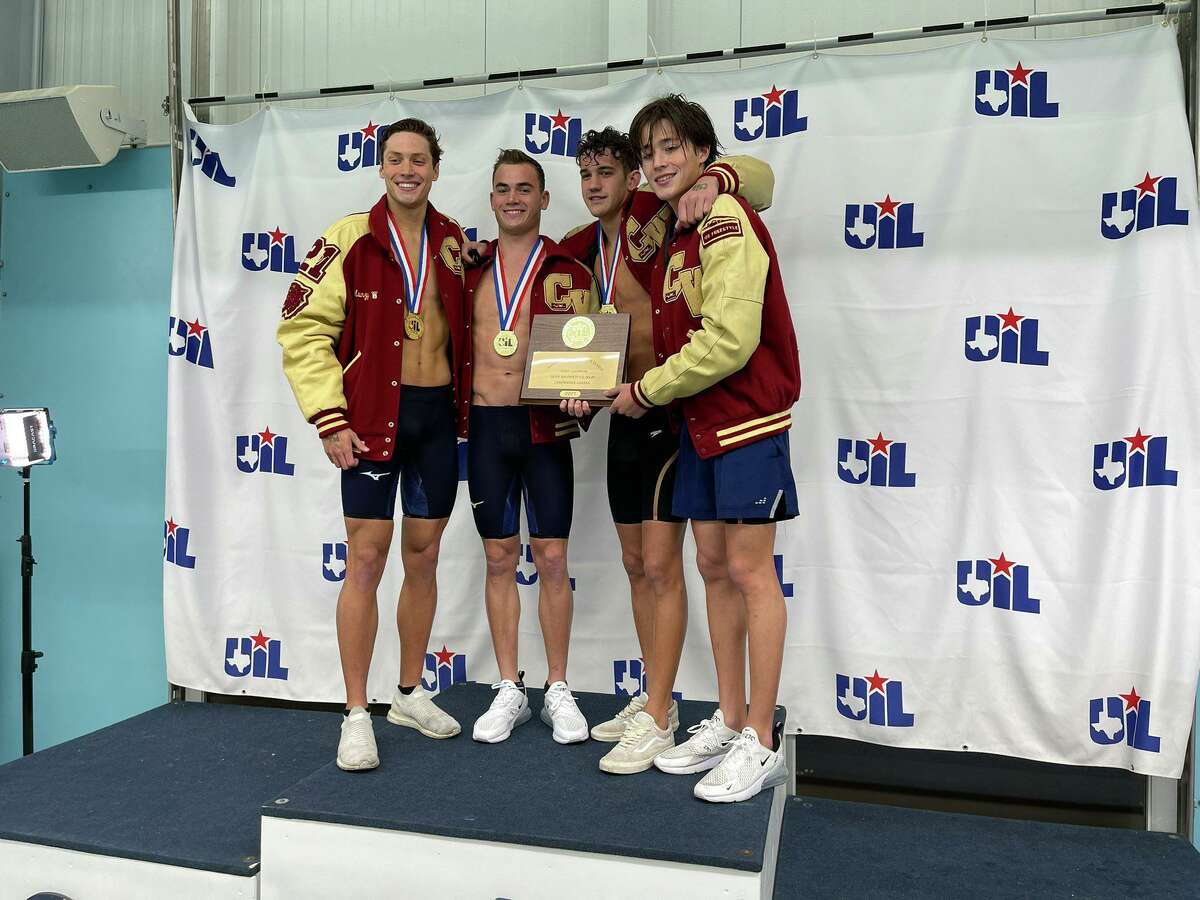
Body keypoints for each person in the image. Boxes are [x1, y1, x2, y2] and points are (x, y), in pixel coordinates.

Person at [558, 127, 775, 775]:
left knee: (661, 563)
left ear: (634, 177)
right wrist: (577, 389)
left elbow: (759, 180)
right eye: (585, 173)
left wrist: (718, 179)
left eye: (608, 171)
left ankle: (657, 713)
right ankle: (658, 696)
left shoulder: (668, 209)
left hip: (674, 409)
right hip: (624, 412)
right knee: (633, 562)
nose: (596, 184)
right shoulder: (577, 247)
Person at [609, 95, 800, 803]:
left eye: (671, 148)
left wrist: (648, 390)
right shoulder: (671, 226)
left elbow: (730, 340)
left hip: (746, 419)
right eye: (649, 152)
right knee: (715, 566)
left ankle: (761, 738)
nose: (659, 162)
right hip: (701, 424)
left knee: (751, 572)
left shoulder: (721, 215)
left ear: (701, 153)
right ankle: (726, 716)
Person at [277, 118, 469, 772]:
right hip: (372, 417)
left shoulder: (452, 243)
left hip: (436, 419)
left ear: (436, 168)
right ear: (381, 167)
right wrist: (330, 417)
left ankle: (409, 692)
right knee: (366, 558)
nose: (408, 169)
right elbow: (302, 330)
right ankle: (356, 712)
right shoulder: (347, 238)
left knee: (424, 555)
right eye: (396, 159)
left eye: (419, 159)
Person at [461, 149, 598, 744]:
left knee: (552, 558)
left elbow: (592, 354)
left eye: (525, 189)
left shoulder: (569, 270)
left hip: (543, 431)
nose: (513, 198)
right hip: (488, 428)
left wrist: (584, 396)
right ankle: (510, 686)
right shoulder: (465, 268)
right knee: (498, 558)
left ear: (544, 200)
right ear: (491, 200)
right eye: (502, 189)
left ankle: (559, 687)